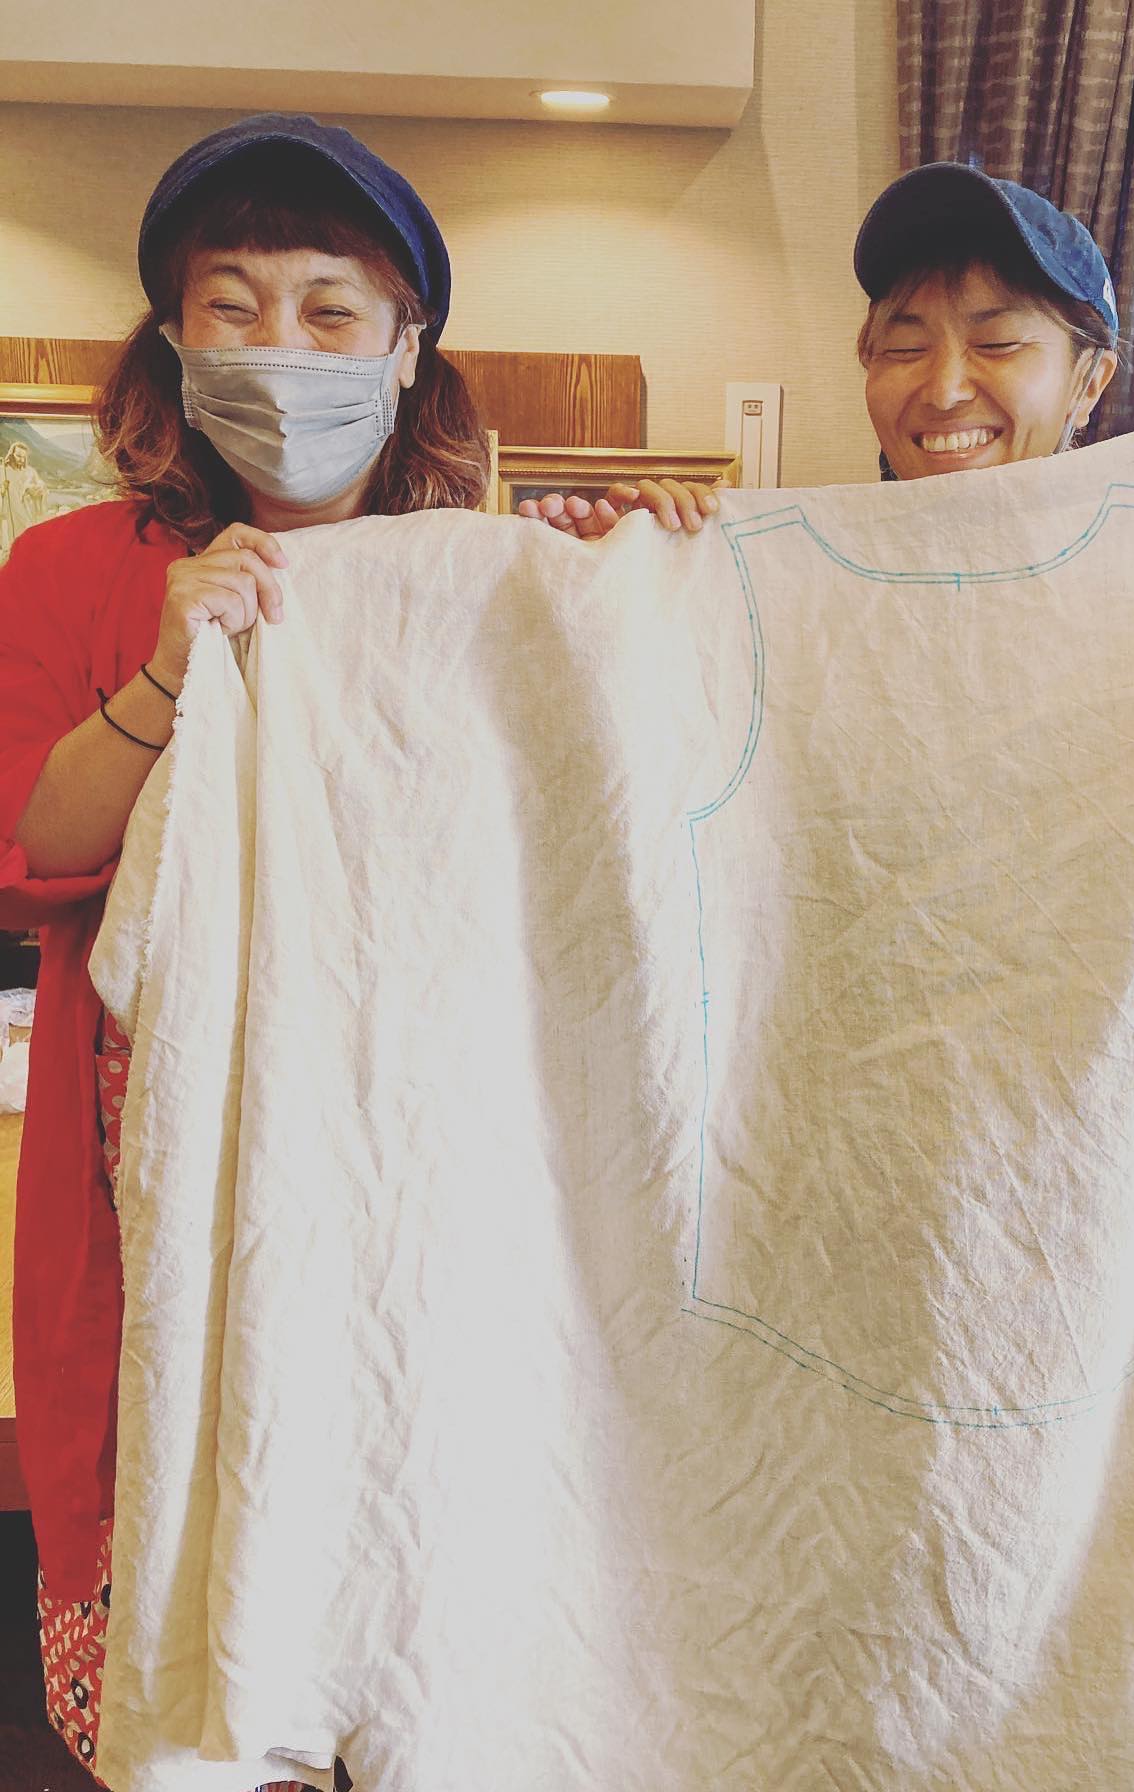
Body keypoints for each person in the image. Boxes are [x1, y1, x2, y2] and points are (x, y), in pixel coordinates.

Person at [0, 112, 486, 1790]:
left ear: (408, 348)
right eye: (234, 304)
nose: (282, 345)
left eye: (331, 310)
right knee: (191, 1685)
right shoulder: (74, 568)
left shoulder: (475, 580)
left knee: (420, 1645)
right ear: (174, 337)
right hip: (149, 1207)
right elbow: (31, 851)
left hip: (409, 1206)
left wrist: (628, 579)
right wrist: (166, 666)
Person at [535, 161, 1134, 875]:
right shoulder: (787, 594)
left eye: (998, 342)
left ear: (1091, 380)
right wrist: (605, 584)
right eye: (903, 345)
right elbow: (597, 802)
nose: (943, 388)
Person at [0, 439, 49, 558]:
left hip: (26, 509)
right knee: (12, 537)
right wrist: (2, 488)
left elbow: (41, 485)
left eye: (23, 457)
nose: (21, 460)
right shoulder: (3, 471)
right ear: (11, 454)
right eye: (18, 456)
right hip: (10, 510)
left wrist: (35, 488)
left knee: (26, 532)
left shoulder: (29, 471)